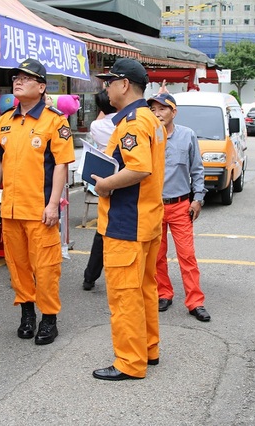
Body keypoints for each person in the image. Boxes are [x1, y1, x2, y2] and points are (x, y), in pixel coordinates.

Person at [0, 58, 75, 345]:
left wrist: (53, 205)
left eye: (26, 78)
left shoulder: (55, 122)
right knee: (18, 266)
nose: (18, 81)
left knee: (46, 268)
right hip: (11, 209)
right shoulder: (4, 121)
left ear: (41, 87)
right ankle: (27, 314)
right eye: (16, 77)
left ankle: (49, 318)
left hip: (40, 210)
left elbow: (61, 166)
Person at [91, 58, 166, 381]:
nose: (105, 87)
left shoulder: (133, 122)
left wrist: (105, 184)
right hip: (147, 218)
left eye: (109, 82)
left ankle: (129, 362)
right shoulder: (150, 118)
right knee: (145, 289)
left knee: (124, 295)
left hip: (127, 221)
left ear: (124, 84)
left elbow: (139, 168)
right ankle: (148, 349)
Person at [147, 92, 210, 322]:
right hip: (154, 206)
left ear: (174, 111)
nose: (157, 113)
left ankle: (195, 302)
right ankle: (163, 293)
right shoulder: (148, 136)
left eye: (162, 108)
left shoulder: (187, 135)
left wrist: (198, 198)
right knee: (157, 255)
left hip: (181, 205)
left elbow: (197, 169)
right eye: (153, 109)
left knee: (187, 255)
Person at [82, 89, 117, 291]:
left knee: (102, 231)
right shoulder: (125, 123)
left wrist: (103, 106)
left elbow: (100, 118)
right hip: (123, 178)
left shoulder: (97, 126)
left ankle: (90, 277)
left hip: (102, 179)